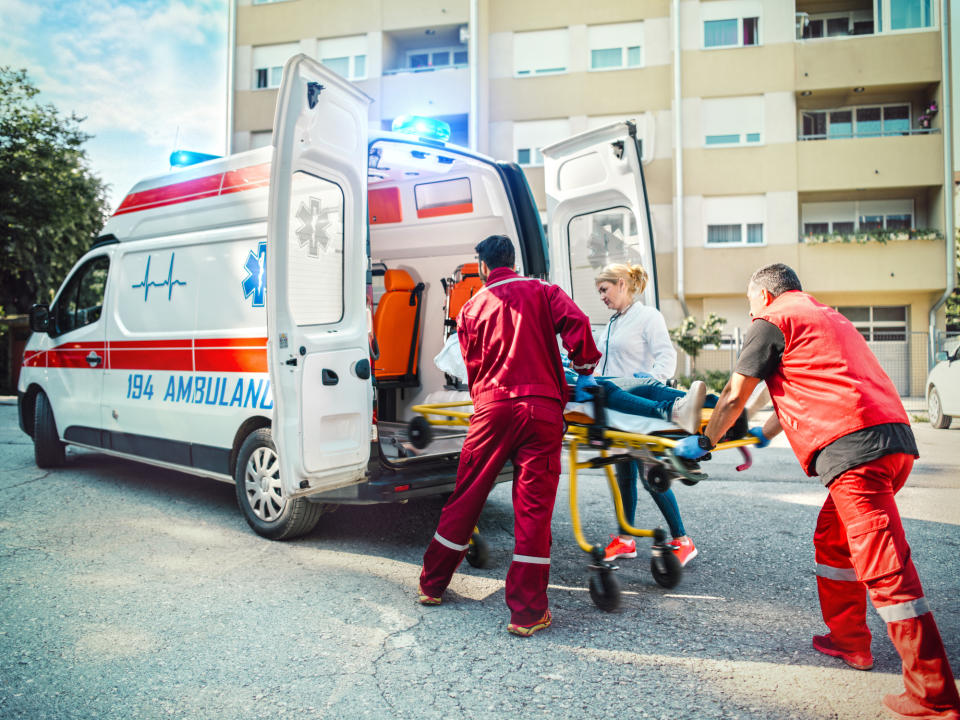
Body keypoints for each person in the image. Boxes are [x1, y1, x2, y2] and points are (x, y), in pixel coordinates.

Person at [675, 263, 960, 720]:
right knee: (833, 541)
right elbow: (795, 386)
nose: (750, 313)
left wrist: (705, 441)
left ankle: (935, 696)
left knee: (889, 572)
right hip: (891, 443)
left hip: (856, 456)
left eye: (749, 303)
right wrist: (762, 437)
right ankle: (849, 641)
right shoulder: (825, 317)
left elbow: (733, 397)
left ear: (764, 295)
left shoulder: (770, 321)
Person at [418, 234, 602, 637]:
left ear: (483, 266)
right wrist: (584, 365)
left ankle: (432, 586)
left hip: (492, 410)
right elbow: (579, 325)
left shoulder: (470, 308)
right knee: (532, 510)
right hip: (542, 410)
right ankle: (527, 614)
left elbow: (471, 367)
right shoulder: (543, 291)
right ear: (513, 261)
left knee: (466, 497)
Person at [588, 263, 704, 568]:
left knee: (652, 475)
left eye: (604, 289)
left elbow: (667, 355)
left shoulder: (648, 317)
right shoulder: (612, 323)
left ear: (623, 284)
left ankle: (682, 540)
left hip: (640, 407)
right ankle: (625, 539)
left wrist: (652, 380)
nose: (601, 296)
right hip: (616, 411)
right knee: (623, 474)